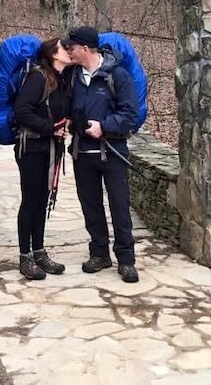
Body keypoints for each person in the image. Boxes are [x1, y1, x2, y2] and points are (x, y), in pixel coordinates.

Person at [63, 25, 140, 283]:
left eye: (71, 47)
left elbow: (130, 113)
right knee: (91, 206)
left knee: (120, 206)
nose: (68, 51)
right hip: (82, 153)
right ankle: (99, 254)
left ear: (85, 48)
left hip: (113, 152)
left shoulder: (117, 76)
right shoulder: (72, 76)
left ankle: (126, 261)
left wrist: (104, 126)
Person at [12, 37, 73, 280]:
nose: (68, 51)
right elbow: (21, 111)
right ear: (53, 55)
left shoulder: (58, 79)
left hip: (49, 148)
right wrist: (51, 128)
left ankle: (39, 251)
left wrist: (64, 126)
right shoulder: (38, 78)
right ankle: (25, 257)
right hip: (31, 148)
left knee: (42, 199)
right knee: (31, 201)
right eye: (63, 48)